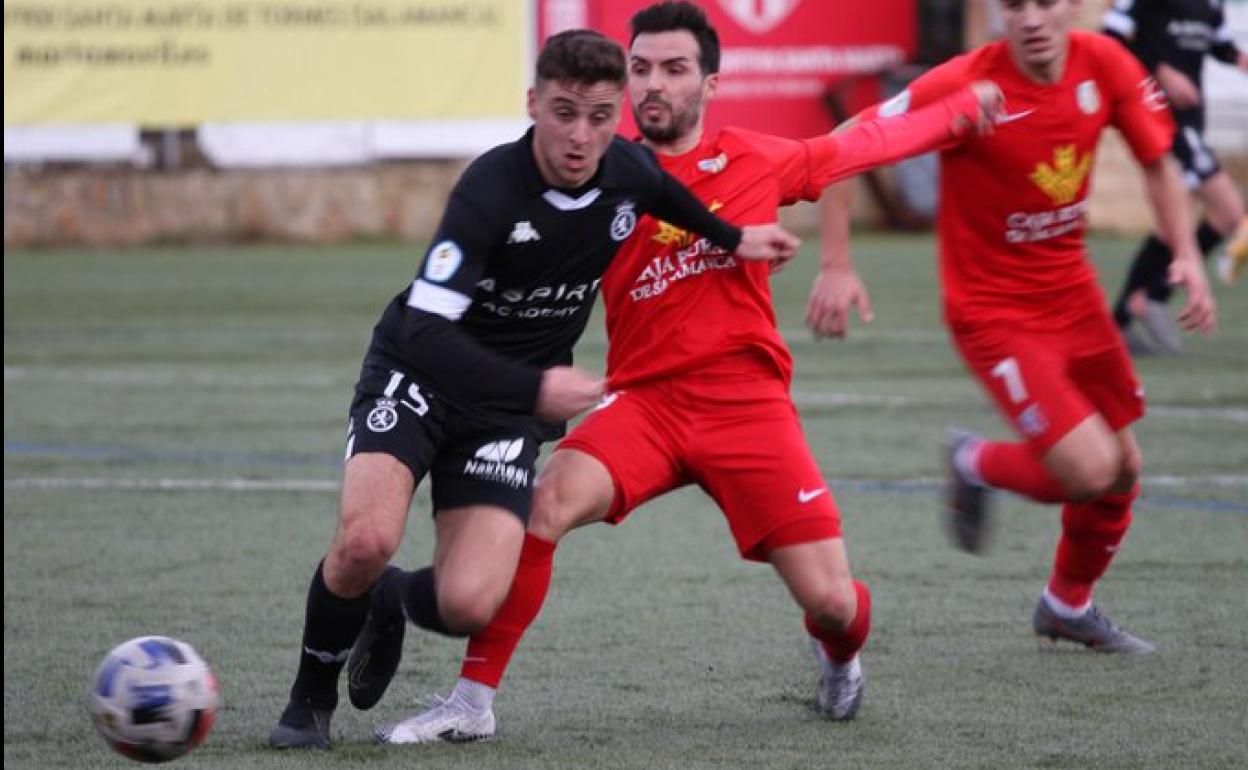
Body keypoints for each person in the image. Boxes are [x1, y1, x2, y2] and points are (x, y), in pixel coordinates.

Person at [348, 1, 1005, 744]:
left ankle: (837, 656)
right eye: (642, 68)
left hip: (746, 405)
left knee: (831, 602)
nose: (654, 83)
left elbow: (857, 146)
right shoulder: (599, 171)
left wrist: (955, 115)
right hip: (643, 405)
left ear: (711, 83)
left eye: (675, 68)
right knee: (543, 506)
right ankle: (471, 701)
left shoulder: (754, 159)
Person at [267, 28, 803, 750]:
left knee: (467, 601)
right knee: (364, 541)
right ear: (532, 105)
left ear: (618, 117)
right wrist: (534, 384)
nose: (581, 137)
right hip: (419, 376)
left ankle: (391, 600)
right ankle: (309, 702)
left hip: (505, 411)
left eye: (600, 116)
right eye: (563, 112)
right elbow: (426, 331)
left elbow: (667, 194)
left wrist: (733, 237)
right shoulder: (489, 191)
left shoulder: (627, 170)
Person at [816, 0, 1215, 654]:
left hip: (1075, 299)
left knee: (1123, 470)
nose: (1030, 17)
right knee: (1089, 471)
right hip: (993, 313)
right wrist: (835, 264)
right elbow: (849, 141)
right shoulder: (966, 83)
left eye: (1045, 2)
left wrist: (1186, 256)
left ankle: (1066, 605)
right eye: (1013, 4)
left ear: (1072, 7)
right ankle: (973, 460)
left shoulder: (1107, 63)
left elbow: (1158, 164)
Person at [1102, 0, 1247, 354]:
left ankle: (1124, 314)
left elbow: (1217, 42)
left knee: (1171, 224)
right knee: (1228, 211)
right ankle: (1152, 296)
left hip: (1193, 119)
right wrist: (1161, 71)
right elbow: (1112, 38)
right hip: (1160, 116)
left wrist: (1238, 58)